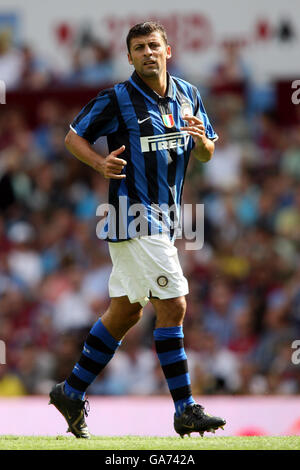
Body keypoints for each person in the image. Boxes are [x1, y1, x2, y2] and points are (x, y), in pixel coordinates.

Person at [49, 21, 226, 439]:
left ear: (169, 50)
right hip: (132, 215)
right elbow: (73, 137)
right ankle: (185, 408)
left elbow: (206, 153)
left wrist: (201, 142)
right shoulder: (117, 98)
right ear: (129, 57)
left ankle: (71, 391)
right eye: (138, 48)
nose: (147, 53)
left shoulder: (188, 95)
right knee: (175, 304)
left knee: (127, 311)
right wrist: (99, 163)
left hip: (164, 219)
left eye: (153, 46)